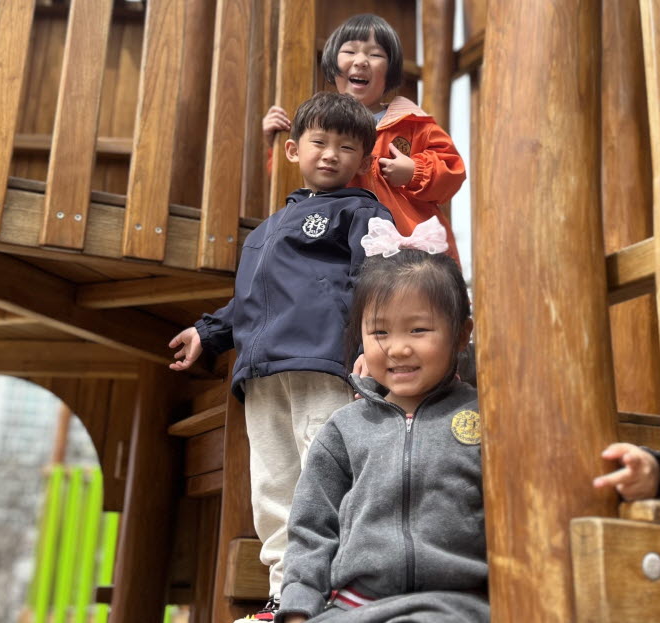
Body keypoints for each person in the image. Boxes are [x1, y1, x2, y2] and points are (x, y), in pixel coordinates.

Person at [168, 92, 394, 622]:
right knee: (273, 487)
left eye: (346, 147)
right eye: (319, 142)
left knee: (327, 477)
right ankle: (285, 595)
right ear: (293, 149)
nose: (331, 154)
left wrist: (369, 346)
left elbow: (375, 282)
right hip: (262, 373)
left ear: (362, 161)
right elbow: (251, 301)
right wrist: (209, 332)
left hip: (323, 363)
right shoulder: (269, 228)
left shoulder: (362, 212)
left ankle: (341, 590)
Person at [276, 217, 489, 623]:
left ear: (462, 336)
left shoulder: (484, 418)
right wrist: (300, 607)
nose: (398, 348)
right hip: (352, 607)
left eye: (419, 329)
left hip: (452, 605)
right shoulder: (344, 429)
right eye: (380, 332)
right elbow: (312, 528)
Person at [263, 13, 465, 265]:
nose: (361, 61)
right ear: (332, 64)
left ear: (389, 71)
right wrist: (274, 140)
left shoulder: (413, 123)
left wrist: (415, 171)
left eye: (375, 54)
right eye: (350, 51)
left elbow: (453, 171)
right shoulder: (319, 125)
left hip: (406, 251)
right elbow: (296, 176)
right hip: (340, 246)